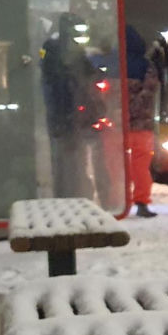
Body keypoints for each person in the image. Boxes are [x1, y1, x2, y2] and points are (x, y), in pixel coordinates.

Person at [40, 13, 102, 198]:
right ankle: (70, 195)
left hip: (70, 117)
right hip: (66, 115)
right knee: (67, 161)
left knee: (71, 160)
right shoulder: (55, 50)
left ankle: (73, 194)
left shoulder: (66, 50)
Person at [125, 26, 159, 218]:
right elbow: (149, 92)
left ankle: (117, 201)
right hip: (142, 126)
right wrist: (135, 108)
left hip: (118, 127)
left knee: (117, 166)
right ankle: (141, 202)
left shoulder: (114, 64)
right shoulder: (147, 66)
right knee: (141, 166)